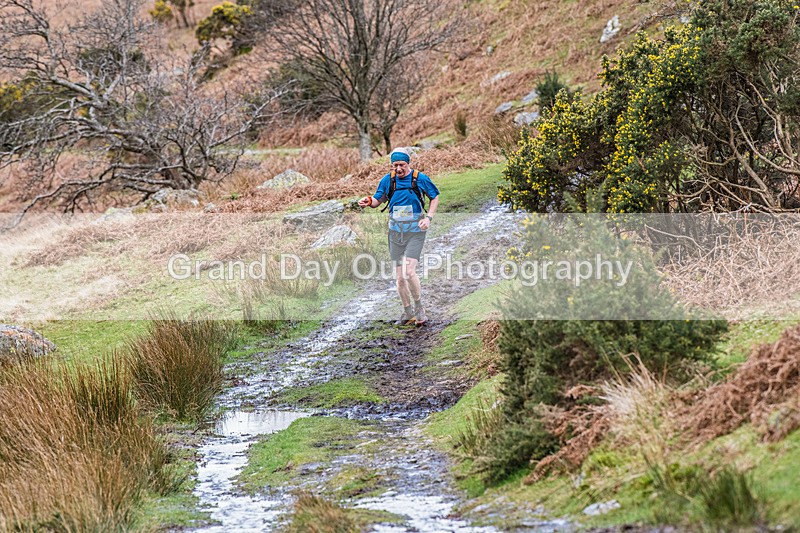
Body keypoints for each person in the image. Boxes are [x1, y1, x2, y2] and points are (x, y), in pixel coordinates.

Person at [358, 147, 439, 325]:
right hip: (395, 233)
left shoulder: (420, 178)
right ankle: (407, 311)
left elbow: (435, 197)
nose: (399, 169)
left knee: (409, 272)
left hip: (415, 232)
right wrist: (368, 201)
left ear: (408, 163)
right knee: (400, 277)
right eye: (395, 165)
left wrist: (428, 218)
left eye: (401, 164)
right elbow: (378, 200)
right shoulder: (388, 180)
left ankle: (419, 309)